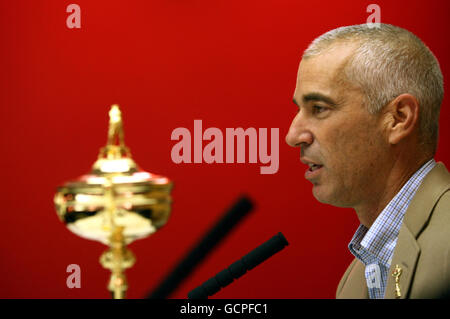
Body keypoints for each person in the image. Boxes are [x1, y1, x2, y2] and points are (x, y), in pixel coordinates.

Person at [285, 23, 450, 299]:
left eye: (319, 108)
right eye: (300, 109)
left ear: (398, 118)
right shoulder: (354, 279)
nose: (293, 136)